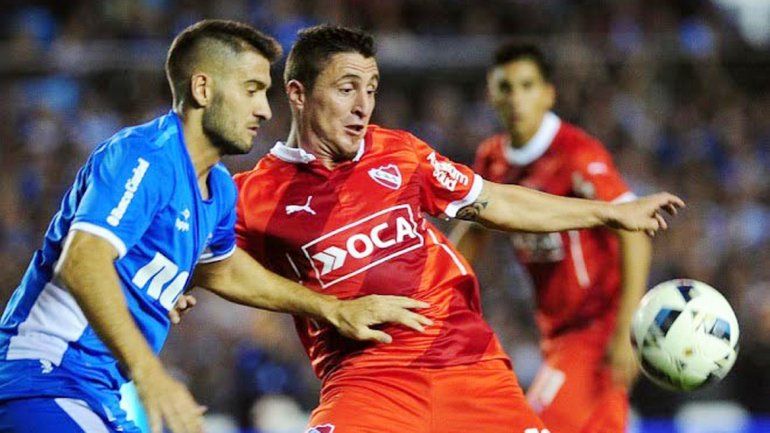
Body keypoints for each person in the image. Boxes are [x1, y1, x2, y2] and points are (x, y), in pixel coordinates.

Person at [232, 25, 682, 433]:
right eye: (347, 89)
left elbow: (498, 201)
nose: (363, 106)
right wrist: (326, 308)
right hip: (367, 382)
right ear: (297, 93)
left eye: (370, 89)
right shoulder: (252, 197)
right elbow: (211, 266)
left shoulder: (400, 154)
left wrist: (608, 213)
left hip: (468, 364)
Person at [0, 20, 430, 433]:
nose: (264, 109)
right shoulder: (145, 156)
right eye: (251, 90)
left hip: (94, 393)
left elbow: (223, 269)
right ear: (203, 88)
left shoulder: (219, 188)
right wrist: (150, 373)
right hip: (43, 377)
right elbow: (81, 260)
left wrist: (331, 308)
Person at [450, 43, 650, 433]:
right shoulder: (493, 158)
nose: (516, 98)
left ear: (548, 94)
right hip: (556, 333)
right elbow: (474, 229)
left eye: (527, 85)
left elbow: (635, 231)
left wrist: (627, 325)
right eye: (505, 87)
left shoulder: (576, 153)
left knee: (533, 425)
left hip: (596, 327)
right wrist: (432, 288)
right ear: (492, 95)